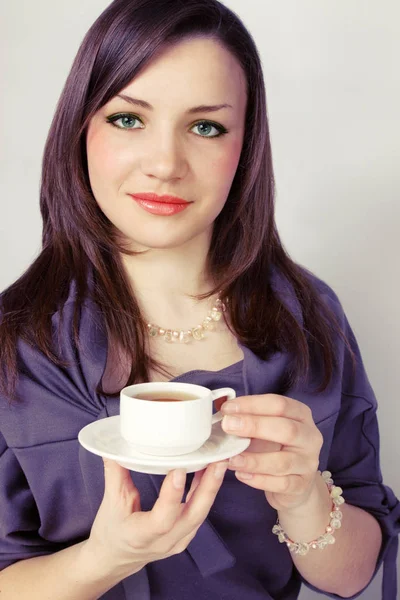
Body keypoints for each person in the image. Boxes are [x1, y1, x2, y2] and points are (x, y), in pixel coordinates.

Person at [0, 0, 398, 598]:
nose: (165, 164)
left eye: (205, 126)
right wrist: (104, 559)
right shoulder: (16, 342)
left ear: (247, 147)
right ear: (81, 127)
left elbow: (355, 575)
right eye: (128, 119)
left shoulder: (310, 317)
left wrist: (306, 499)